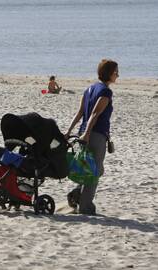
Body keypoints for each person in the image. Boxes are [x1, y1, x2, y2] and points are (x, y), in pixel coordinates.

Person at [64, 59, 118, 215]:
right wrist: (87, 134)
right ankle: (86, 206)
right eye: (116, 72)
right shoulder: (106, 91)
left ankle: (76, 194)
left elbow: (80, 112)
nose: (118, 75)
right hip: (95, 135)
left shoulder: (89, 89)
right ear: (108, 73)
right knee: (95, 171)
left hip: (85, 134)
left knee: (89, 168)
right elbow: (94, 114)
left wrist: (69, 131)